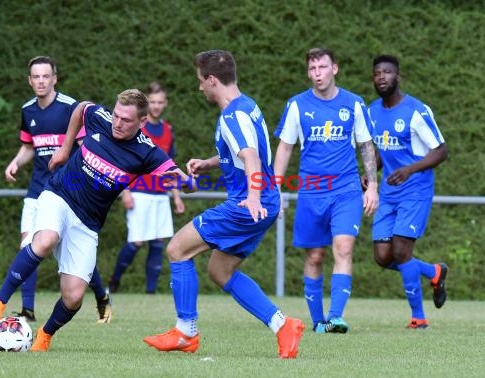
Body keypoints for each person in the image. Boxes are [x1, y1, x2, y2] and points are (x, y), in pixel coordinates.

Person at [0, 89, 196, 351]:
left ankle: (44, 336)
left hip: (88, 221)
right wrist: (65, 148)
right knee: (45, 240)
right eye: (116, 115)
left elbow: (178, 177)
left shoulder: (147, 152)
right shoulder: (101, 118)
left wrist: (188, 181)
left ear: (141, 122)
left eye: (126, 120)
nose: (117, 122)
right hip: (59, 193)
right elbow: (81, 108)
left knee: (73, 297)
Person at [143, 50, 305, 359]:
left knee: (177, 249)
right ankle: (283, 325)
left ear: (212, 79)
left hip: (247, 205)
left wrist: (253, 197)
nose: (199, 88)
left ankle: (186, 333)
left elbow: (252, 157)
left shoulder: (232, 115)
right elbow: (242, 152)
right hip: (262, 203)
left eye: (200, 81)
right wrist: (209, 163)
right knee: (220, 270)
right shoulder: (247, 107)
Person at [273, 47, 379, 334]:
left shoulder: (354, 104)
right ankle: (318, 321)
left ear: (335, 69)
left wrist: (372, 187)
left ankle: (335, 317)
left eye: (322, 67)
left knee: (344, 247)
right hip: (311, 191)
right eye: (312, 69)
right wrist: (275, 191)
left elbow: (367, 146)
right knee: (315, 257)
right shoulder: (297, 105)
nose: (317, 73)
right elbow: (285, 147)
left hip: (346, 189)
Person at [3, 55, 112, 324]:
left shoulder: (69, 108)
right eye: (36, 77)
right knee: (28, 245)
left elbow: (89, 146)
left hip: (69, 190)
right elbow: (30, 146)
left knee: (71, 253)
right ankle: (27, 310)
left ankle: (101, 295)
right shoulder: (28, 110)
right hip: (38, 189)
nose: (41, 81)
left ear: (55, 78)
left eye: (45, 76)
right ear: (29, 81)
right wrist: (16, 162)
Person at [363, 55, 448, 329]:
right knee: (382, 257)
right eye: (377, 73)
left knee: (401, 251)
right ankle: (434, 272)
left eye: (387, 72)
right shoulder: (372, 111)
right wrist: (368, 174)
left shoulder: (416, 111)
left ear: (398, 77)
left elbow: (441, 151)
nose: (381, 77)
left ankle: (418, 318)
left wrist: (410, 170)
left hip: (415, 190)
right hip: (389, 192)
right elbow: (381, 152)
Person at [109, 81, 185, 294]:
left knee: (159, 242)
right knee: (137, 241)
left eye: (160, 102)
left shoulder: (168, 130)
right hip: (139, 192)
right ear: (146, 103)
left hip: (161, 194)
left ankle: (150, 292)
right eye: (152, 101)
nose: (156, 106)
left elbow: (171, 166)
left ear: (165, 103)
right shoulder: (135, 127)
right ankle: (113, 283)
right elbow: (121, 160)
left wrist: (177, 196)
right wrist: (124, 191)